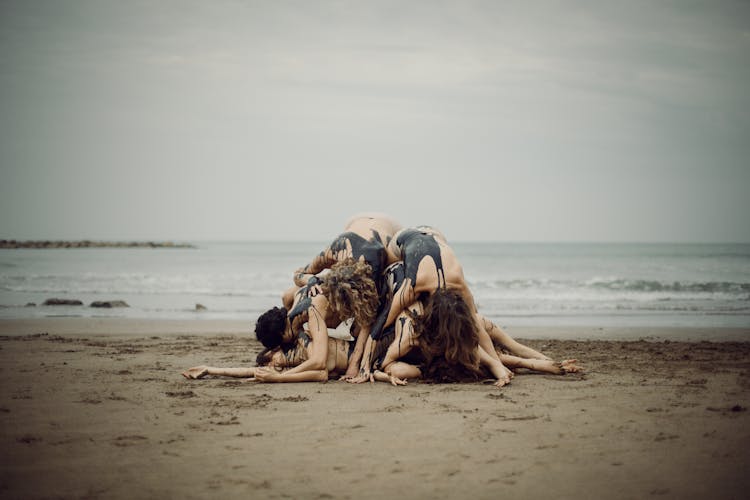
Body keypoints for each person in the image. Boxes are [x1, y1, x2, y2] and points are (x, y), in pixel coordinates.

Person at [250, 258, 380, 383]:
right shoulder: (292, 296)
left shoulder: (313, 312)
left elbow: (319, 361)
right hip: (358, 287)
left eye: (282, 343)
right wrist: (312, 279)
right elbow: (298, 276)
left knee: (357, 330)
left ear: (284, 334)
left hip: (371, 298)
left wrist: (280, 377)